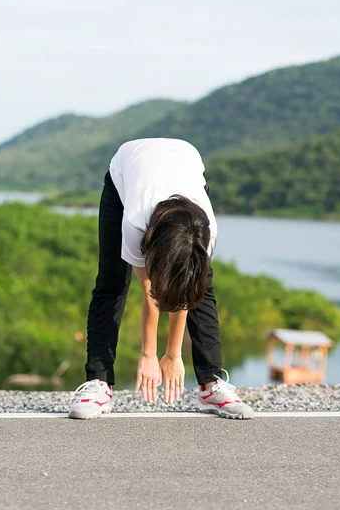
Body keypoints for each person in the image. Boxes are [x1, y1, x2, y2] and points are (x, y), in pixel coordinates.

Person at [69, 138, 254, 420]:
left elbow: (185, 291)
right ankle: (99, 383)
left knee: (202, 288)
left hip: (184, 163)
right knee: (113, 281)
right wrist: (148, 354)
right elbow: (152, 292)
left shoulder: (207, 231)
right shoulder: (135, 222)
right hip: (127, 172)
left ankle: (211, 384)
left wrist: (174, 353)